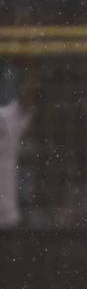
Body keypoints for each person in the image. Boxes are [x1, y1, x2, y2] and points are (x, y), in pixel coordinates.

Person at [0, 73, 38, 229]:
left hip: (31, 190)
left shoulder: (42, 119)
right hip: (8, 194)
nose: (28, 92)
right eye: (26, 88)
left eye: (34, 91)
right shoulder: (3, 117)